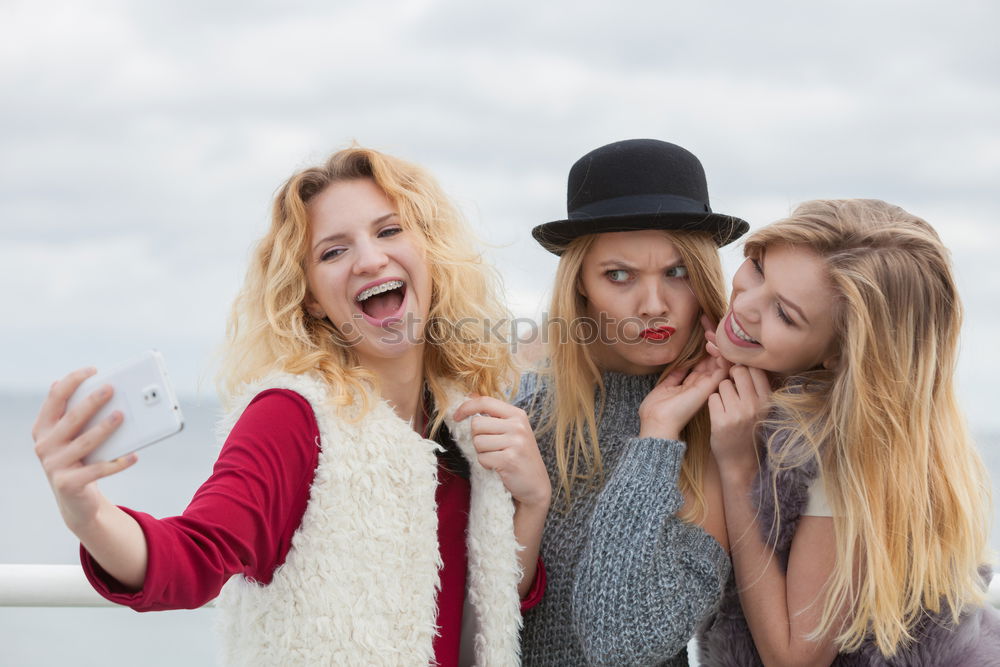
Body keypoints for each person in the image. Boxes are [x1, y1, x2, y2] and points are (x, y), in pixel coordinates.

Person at [31, 146, 551, 666]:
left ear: (432, 253)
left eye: (389, 231)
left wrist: (532, 502)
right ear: (310, 299)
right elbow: (194, 555)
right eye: (333, 251)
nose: (370, 259)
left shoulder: (466, 422)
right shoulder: (291, 416)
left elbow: (491, 614)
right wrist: (89, 514)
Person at [698, 199, 1000, 665]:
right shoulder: (771, 388)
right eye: (758, 268)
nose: (744, 303)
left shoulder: (842, 448)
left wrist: (739, 469)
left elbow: (795, 659)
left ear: (841, 355)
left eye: (785, 314)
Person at [517, 138, 749, 665]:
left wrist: (658, 434)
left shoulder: (720, 425)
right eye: (618, 275)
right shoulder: (522, 414)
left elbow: (624, 641)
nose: (653, 305)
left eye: (677, 272)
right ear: (580, 288)